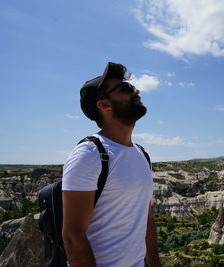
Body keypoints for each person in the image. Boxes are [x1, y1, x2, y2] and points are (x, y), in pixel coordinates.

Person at [61, 62, 160, 267]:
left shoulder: (142, 154)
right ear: (103, 105)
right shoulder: (89, 154)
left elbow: (145, 217)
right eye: (125, 88)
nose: (136, 91)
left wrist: (154, 262)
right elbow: (72, 236)